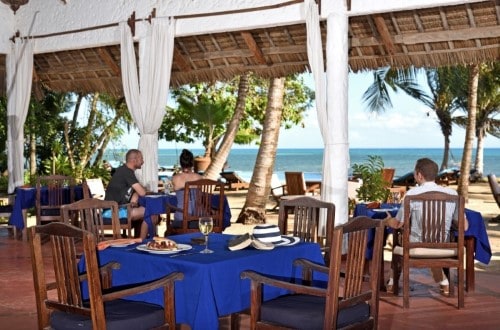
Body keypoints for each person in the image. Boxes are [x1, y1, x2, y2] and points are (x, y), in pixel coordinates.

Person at [383, 158, 468, 296]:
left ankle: (392, 282)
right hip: (443, 245)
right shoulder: (452, 194)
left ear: (419, 175)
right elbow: (464, 227)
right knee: (433, 241)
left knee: (397, 241)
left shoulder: (412, 194)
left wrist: (387, 220)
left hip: (416, 246)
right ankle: (444, 283)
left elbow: (398, 224)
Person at [105, 149, 149, 239]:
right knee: (151, 211)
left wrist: (135, 196)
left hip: (117, 209)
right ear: (134, 160)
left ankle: (140, 239)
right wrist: (139, 192)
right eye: (141, 159)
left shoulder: (124, 170)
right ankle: (141, 241)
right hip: (112, 212)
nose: (143, 161)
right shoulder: (126, 172)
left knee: (149, 211)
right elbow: (142, 192)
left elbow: (136, 192)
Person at [171, 149, 203, 224]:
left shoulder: (175, 178)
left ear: (181, 163)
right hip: (199, 216)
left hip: (181, 218)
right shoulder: (199, 178)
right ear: (192, 163)